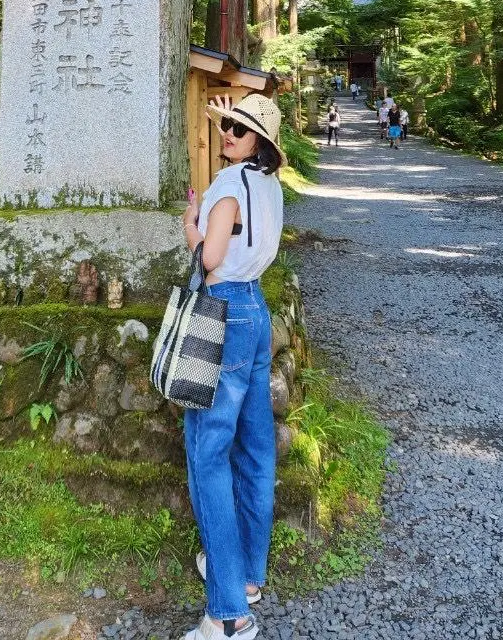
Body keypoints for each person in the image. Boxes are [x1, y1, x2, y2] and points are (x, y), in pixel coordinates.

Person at [181, 93, 285, 640]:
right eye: (225, 126)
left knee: (207, 453)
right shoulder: (269, 186)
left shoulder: (226, 189)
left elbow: (210, 258)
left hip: (223, 313)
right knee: (256, 447)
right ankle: (246, 577)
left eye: (239, 131)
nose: (227, 135)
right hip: (257, 311)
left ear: (258, 143)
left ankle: (227, 615)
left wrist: (190, 226)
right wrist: (219, 113)